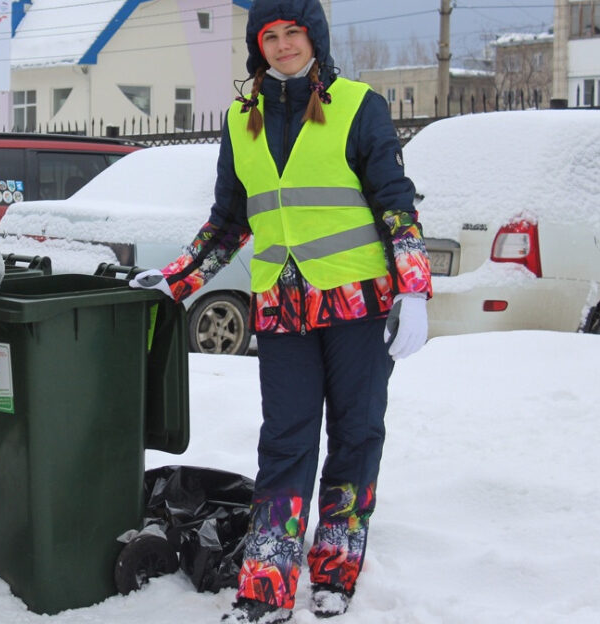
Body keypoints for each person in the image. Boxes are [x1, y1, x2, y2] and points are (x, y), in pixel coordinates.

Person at [130, 0, 432, 621]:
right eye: (271, 35)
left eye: (294, 32)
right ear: (257, 46)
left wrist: (415, 288)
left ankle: (335, 574)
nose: (284, 45)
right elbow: (228, 222)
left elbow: (395, 205)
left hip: (356, 304)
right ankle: (265, 587)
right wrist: (176, 282)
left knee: (355, 436)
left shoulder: (358, 106)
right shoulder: (243, 118)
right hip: (282, 309)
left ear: (315, 37)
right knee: (285, 443)